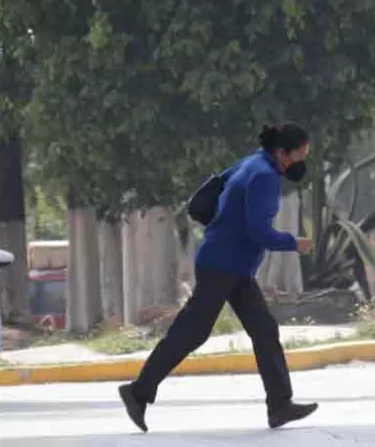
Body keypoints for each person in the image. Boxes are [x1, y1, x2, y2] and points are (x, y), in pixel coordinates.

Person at [119, 121, 319, 432]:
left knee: (264, 330)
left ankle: (280, 405)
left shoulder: (252, 162)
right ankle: (138, 391)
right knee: (192, 331)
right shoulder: (265, 176)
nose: (301, 163)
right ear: (282, 152)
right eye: (299, 155)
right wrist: (294, 242)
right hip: (223, 265)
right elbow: (258, 231)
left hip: (232, 266)